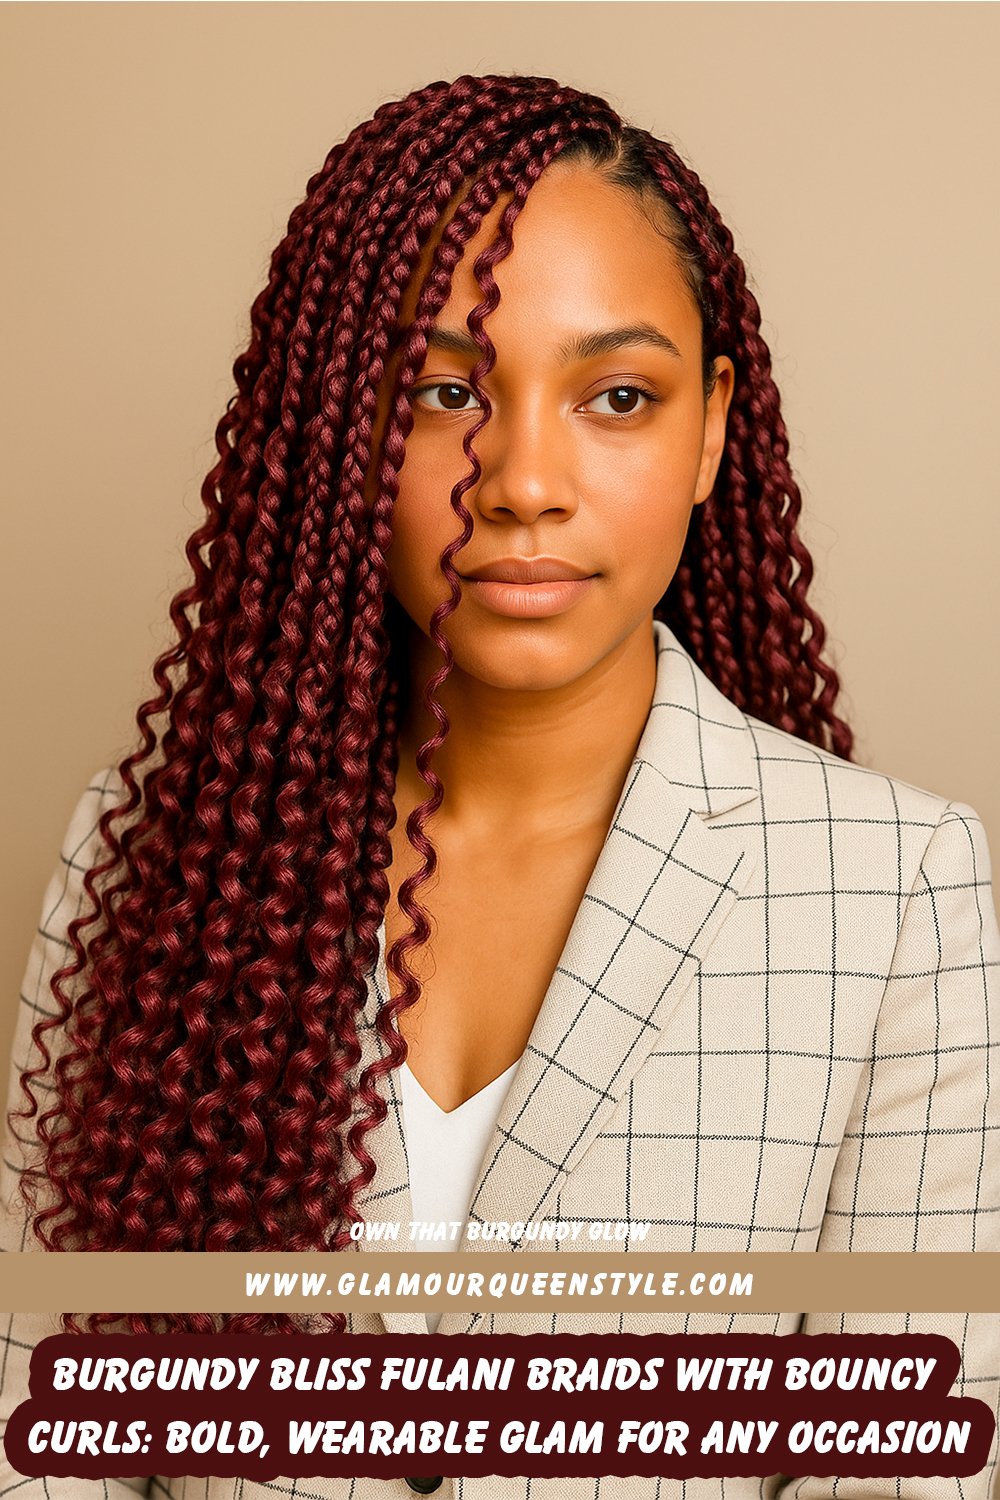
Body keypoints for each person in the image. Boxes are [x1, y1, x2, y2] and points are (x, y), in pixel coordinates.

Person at [2, 71, 997, 1500]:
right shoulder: (149, 861)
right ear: (343, 425)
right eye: (445, 391)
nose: (523, 479)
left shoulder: (891, 895)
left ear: (712, 427)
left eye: (616, 397)